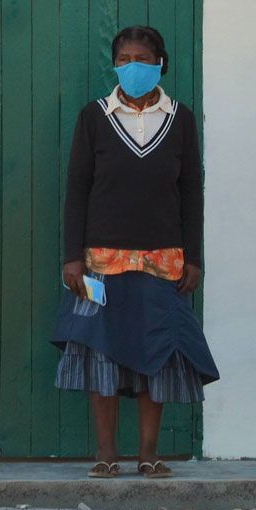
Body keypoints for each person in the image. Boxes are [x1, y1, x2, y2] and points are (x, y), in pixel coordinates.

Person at [53, 25, 218, 479]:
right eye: (123, 59)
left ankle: (149, 454)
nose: (132, 67)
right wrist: (72, 257)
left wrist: (194, 258)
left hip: (163, 261)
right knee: (100, 353)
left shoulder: (180, 118)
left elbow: (191, 194)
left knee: (158, 355)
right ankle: (107, 454)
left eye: (142, 59)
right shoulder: (94, 116)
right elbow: (76, 189)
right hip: (100, 262)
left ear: (160, 64)